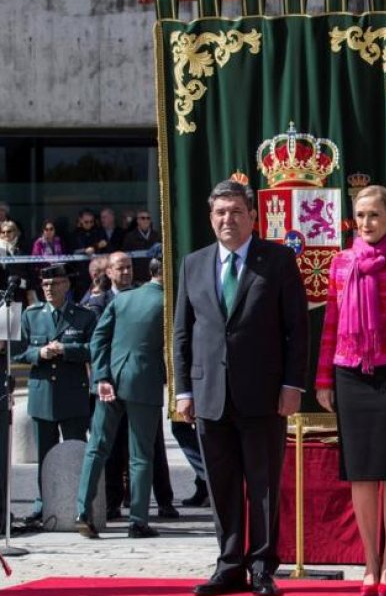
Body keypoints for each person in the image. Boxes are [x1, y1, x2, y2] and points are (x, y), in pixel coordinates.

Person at [173, 179, 308, 596]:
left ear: (253, 216)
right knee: (222, 483)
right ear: (211, 219)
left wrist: (292, 385)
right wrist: (183, 390)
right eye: (220, 212)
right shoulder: (193, 264)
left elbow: (297, 330)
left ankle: (263, 567)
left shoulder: (279, 260)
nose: (227, 219)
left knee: (264, 483)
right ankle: (229, 563)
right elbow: (182, 332)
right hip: (210, 393)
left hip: (264, 394)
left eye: (235, 211)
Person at [315, 185, 386, 596]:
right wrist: (323, 378)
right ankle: (368, 559)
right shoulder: (341, 264)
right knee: (361, 474)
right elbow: (331, 323)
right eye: (360, 215)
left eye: (374, 215)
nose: (366, 223)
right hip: (349, 375)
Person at [76, 258, 167, 539]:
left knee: (97, 447)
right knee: (140, 455)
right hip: (144, 380)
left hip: (112, 377)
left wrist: (101, 377)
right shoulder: (168, 302)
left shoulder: (124, 299)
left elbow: (98, 340)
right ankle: (137, 520)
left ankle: (82, 510)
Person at [12, 263, 97, 523]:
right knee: (45, 455)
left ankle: (81, 504)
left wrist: (66, 350)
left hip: (72, 394)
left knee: (76, 450)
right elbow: (17, 352)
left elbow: (94, 348)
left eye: (55, 284)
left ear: (66, 285)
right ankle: (43, 502)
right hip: (43, 395)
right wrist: (39, 353)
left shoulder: (83, 316)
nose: (49, 289)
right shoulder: (31, 315)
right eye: (45, 284)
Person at [122, 210, 163, 283]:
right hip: (137, 278)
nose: (146, 220)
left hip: (153, 277)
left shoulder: (157, 236)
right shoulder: (130, 237)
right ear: (138, 220)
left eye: (148, 218)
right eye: (143, 218)